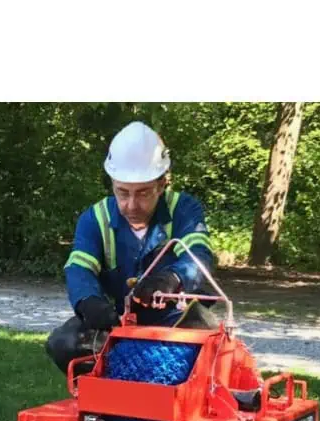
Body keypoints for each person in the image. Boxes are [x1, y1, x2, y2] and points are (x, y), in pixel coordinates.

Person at [45, 121, 218, 376]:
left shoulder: (184, 209)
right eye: (122, 192)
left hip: (175, 319)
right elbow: (79, 267)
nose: (131, 205)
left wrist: (173, 278)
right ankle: (98, 407)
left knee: (207, 343)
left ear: (162, 184)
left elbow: (200, 256)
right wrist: (87, 301)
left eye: (143, 193)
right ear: (112, 183)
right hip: (117, 322)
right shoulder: (95, 218)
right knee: (64, 343)